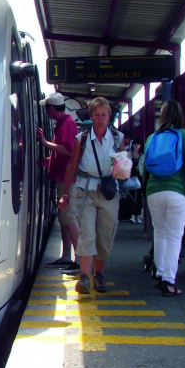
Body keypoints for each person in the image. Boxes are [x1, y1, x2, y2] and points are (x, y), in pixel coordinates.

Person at [59, 97, 124, 294]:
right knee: (87, 232)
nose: (100, 119)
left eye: (104, 115)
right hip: (85, 189)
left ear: (109, 115)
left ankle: (99, 274)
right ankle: (85, 277)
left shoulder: (118, 138)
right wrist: (65, 194)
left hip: (108, 191)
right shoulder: (82, 139)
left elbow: (121, 166)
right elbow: (72, 166)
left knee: (105, 236)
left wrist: (123, 171)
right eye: (97, 115)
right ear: (92, 116)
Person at [142, 100, 185, 296]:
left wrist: (146, 190)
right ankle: (168, 281)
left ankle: (159, 274)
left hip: (154, 191)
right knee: (175, 236)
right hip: (177, 191)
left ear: (162, 116)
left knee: (160, 233)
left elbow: (144, 168)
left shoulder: (152, 138)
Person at [37, 92, 80, 274]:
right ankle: (66, 255)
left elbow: (70, 151)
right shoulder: (63, 124)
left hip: (67, 178)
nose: (46, 113)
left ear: (52, 109)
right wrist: (49, 160)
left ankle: (80, 261)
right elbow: (62, 152)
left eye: (46, 109)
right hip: (62, 175)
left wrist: (46, 143)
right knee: (64, 219)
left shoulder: (67, 124)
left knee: (69, 218)